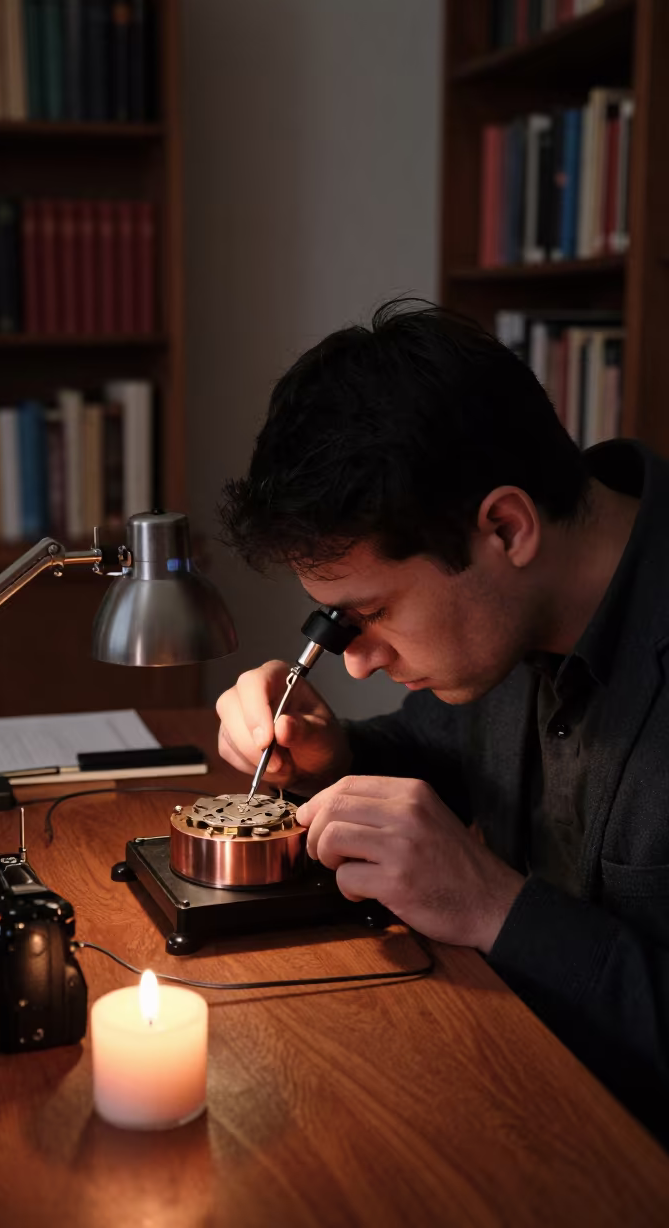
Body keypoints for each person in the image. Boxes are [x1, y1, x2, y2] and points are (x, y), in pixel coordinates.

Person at [216, 300, 669, 1142]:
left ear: (505, 526)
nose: (355, 660)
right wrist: (332, 750)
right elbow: (444, 749)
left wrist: (497, 909)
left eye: (374, 612)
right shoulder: (511, 616)